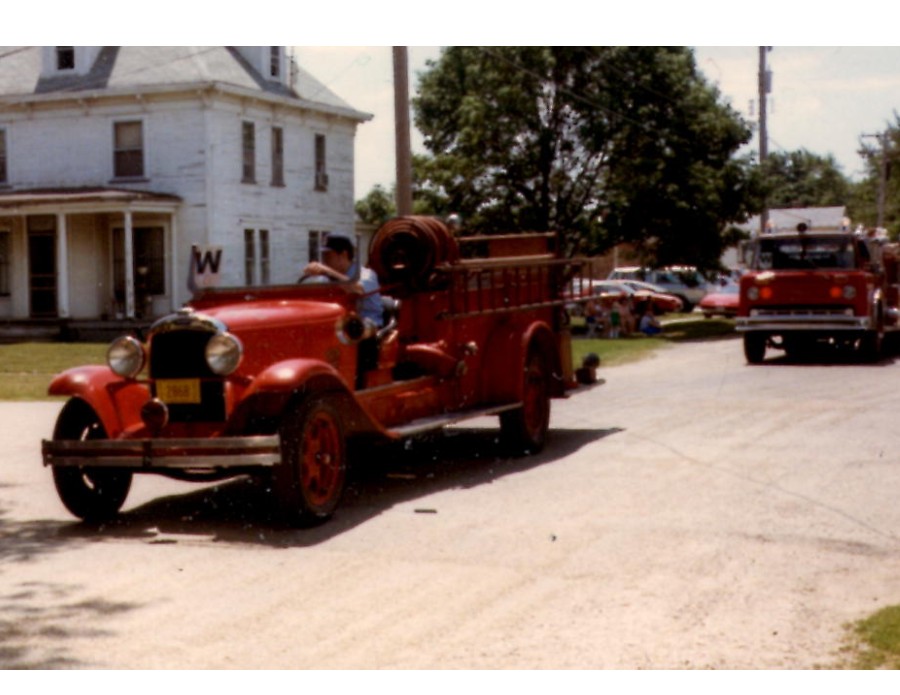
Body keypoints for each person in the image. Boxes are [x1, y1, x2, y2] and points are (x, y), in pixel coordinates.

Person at [302, 235, 383, 387]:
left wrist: (327, 271)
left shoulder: (366, 274)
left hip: (365, 331)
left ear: (344, 255)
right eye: (323, 256)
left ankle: (356, 387)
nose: (324, 261)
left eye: (328, 256)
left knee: (355, 332)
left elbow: (357, 289)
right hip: (340, 329)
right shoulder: (327, 278)